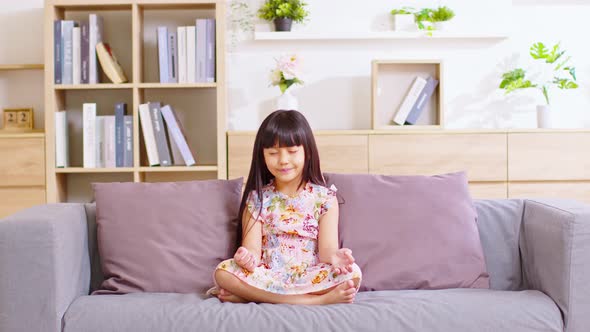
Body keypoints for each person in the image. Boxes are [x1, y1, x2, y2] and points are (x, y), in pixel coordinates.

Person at [212, 110, 362, 305]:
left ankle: (252, 296)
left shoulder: (325, 198)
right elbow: (253, 250)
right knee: (224, 271)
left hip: (309, 277)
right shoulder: (257, 198)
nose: (283, 160)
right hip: (269, 278)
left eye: (292, 151)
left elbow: (327, 249)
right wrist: (246, 258)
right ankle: (316, 301)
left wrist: (336, 257)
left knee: (353, 274)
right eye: (273, 153)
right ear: (262, 156)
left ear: (307, 152)